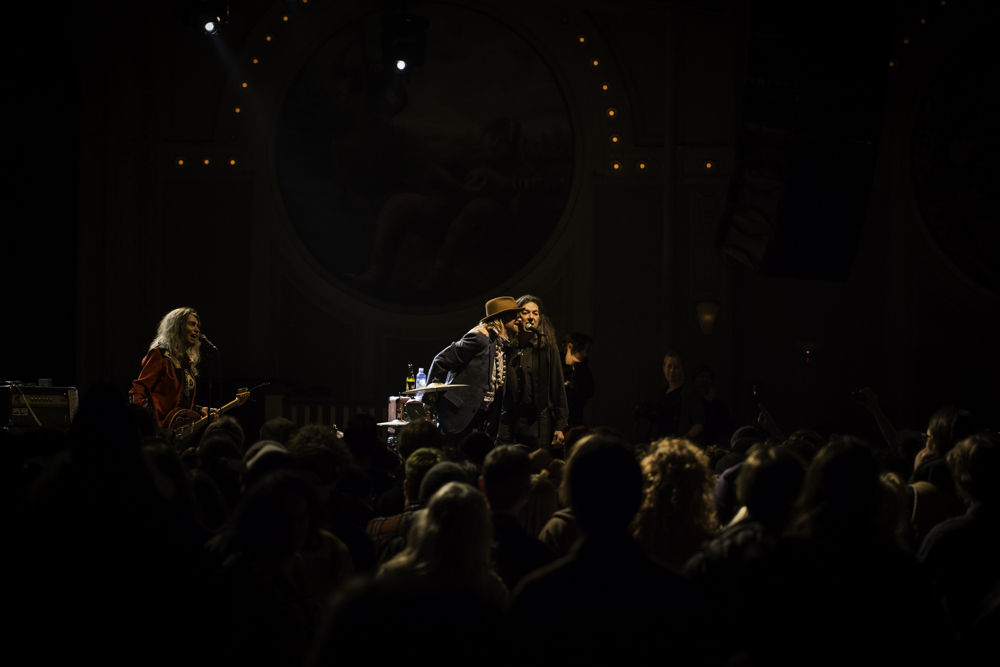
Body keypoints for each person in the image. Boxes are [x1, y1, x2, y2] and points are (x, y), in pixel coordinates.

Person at [427, 296, 522, 447]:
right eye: (513, 315)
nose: (519, 319)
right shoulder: (480, 338)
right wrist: (430, 400)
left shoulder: (505, 345)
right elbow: (440, 360)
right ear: (500, 318)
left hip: (482, 416)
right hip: (458, 414)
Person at [496, 295, 569, 452]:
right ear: (518, 316)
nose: (531, 317)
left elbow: (558, 388)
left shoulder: (547, 347)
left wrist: (560, 425)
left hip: (536, 421)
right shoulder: (506, 346)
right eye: (526, 312)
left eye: (535, 313)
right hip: (507, 419)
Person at [130, 307, 218, 429]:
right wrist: (141, 423)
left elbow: (181, 404)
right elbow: (138, 390)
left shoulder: (186, 362)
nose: (197, 330)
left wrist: (199, 410)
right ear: (178, 326)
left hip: (177, 432)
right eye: (192, 324)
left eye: (197, 326)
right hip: (158, 430)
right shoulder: (160, 354)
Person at [633, 351, 706, 444]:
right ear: (664, 368)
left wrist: (683, 439)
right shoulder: (661, 394)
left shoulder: (689, 394)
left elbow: (699, 423)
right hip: (661, 444)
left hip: (678, 447)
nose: (672, 371)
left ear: (682, 369)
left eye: (676, 367)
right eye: (669, 366)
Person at [562, 332, 595, 428]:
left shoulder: (584, 372)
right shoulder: (555, 366)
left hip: (574, 423)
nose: (584, 353)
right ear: (570, 347)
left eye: (587, 350)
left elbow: (586, 393)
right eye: (582, 349)